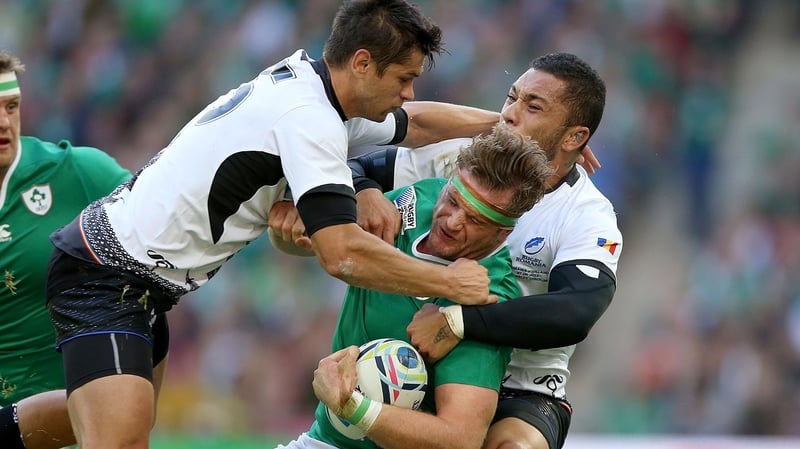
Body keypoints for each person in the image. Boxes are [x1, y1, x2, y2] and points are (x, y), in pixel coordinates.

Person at [43, 2, 505, 448]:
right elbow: (342, 253)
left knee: (100, 424)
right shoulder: (309, 119)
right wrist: (449, 282)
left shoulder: (311, 89)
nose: (409, 93)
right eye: (404, 78)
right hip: (108, 273)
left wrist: (507, 125)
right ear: (363, 63)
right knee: (118, 440)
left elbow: (417, 124)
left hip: (139, 278)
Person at [291, 52, 621, 449]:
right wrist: (364, 192)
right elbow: (356, 167)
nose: (509, 114)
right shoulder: (464, 158)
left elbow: (576, 311)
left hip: (521, 387)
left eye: (533, 107)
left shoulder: (586, 215)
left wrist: (458, 321)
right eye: (511, 97)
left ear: (573, 138)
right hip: (425, 360)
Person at [277, 124, 553, 449]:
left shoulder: (488, 300)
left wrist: (353, 407)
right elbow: (332, 248)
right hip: (321, 441)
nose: (452, 221)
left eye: (476, 220)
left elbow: (460, 438)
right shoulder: (418, 198)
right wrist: (290, 231)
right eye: (453, 200)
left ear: (503, 234)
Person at [0, 51, 171, 449]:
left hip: (72, 429)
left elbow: (168, 218)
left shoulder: (77, 172)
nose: (4, 122)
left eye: (11, 107)